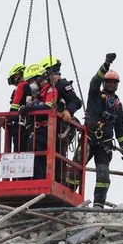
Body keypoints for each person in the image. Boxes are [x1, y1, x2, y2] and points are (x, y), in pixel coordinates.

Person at [74, 52, 123, 207]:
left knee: (103, 175)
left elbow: (120, 127)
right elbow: (94, 81)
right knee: (75, 169)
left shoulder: (117, 105)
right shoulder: (95, 95)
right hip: (89, 139)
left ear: (117, 85)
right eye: (108, 82)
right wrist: (105, 65)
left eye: (114, 82)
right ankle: (69, 196)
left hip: (105, 145)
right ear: (105, 83)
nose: (111, 84)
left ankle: (99, 204)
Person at [40, 55, 83, 183]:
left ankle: (59, 182)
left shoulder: (62, 85)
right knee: (44, 154)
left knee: (59, 155)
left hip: (61, 129)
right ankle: (44, 179)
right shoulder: (46, 89)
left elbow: (76, 101)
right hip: (46, 127)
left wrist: (68, 111)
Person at [14, 64, 57, 179]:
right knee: (31, 158)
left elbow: (48, 107)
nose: (30, 84)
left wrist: (30, 108)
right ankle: (29, 181)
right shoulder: (38, 95)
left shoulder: (50, 90)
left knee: (39, 160)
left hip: (44, 131)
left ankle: (39, 182)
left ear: (39, 78)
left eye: (31, 81)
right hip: (34, 131)